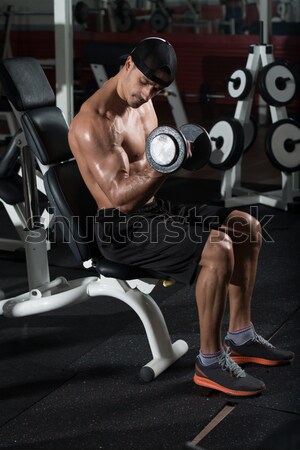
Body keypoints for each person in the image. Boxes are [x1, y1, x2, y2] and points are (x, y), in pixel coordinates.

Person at [68, 37, 294, 396]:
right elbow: (121, 198)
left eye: (155, 89)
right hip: (120, 229)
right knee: (218, 248)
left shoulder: (144, 107)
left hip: (154, 210)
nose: (146, 95)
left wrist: (180, 154)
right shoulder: (92, 122)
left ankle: (242, 336)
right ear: (127, 64)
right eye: (143, 82)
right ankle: (209, 361)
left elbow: (157, 161)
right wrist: (167, 162)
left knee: (246, 227)